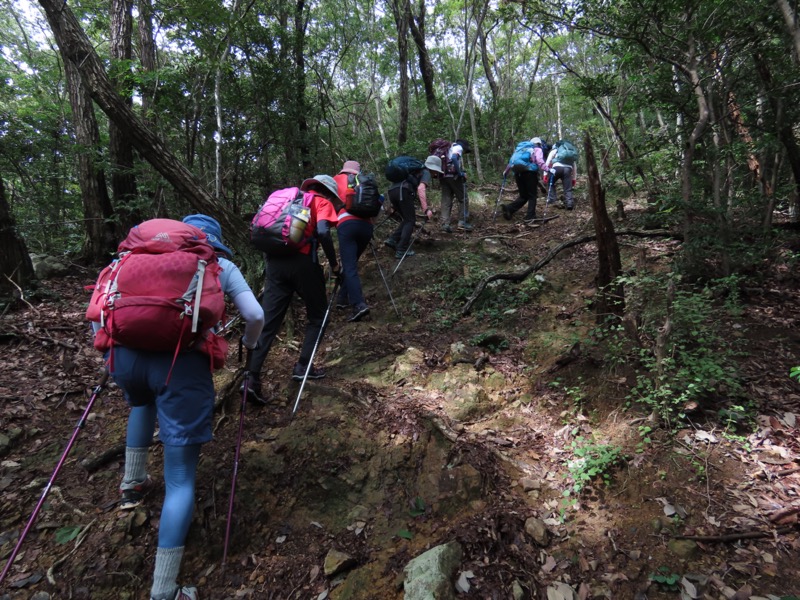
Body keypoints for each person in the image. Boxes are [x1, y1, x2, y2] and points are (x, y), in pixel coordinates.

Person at [111, 214, 264, 600]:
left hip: (125, 358)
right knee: (180, 479)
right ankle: (165, 590)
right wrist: (249, 344)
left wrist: (110, 351)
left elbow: (98, 310)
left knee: (141, 403)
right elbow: (255, 315)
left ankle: (132, 483)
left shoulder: (132, 258)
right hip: (182, 362)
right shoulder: (218, 263)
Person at [246, 175, 341, 401]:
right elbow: (324, 233)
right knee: (318, 316)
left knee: (268, 321)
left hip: (274, 264)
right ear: (328, 192)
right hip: (303, 263)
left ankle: (251, 377)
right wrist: (335, 264)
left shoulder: (289, 200)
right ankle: (302, 367)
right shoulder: (321, 202)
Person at [333, 160, 373, 322]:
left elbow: (329, 204)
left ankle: (358, 305)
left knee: (349, 267)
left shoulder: (335, 180)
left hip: (346, 224)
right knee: (351, 264)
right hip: (366, 226)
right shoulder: (365, 181)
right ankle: (342, 298)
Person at [384, 158, 436, 258]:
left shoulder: (412, 172)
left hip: (392, 191)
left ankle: (393, 239)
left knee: (407, 219)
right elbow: (421, 189)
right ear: (433, 168)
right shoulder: (426, 172)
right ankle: (402, 249)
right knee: (410, 220)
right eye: (436, 172)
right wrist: (426, 209)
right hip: (403, 191)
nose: (435, 175)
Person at [501, 137, 548, 224]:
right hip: (530, 173)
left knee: (524, 196)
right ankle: (530, 217)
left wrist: (506, 172)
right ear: (539, 144)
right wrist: (547, 169)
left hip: (518, 174)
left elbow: (511, 162)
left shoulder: (520, 150)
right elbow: (539, 161)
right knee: (532, 196)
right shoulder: (537, 149)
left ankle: (509, 209)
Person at [439, 140, 472, 233]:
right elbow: (454, 158)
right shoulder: (458, 148)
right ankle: (462, 222)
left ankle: (445, 224)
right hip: (453, 177)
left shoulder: (448, 148)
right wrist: (460, 173)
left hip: (443, 176)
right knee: (463, 198)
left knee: (446, 200)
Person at [544, 140, 579, 210]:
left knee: (550, 183)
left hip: (557, 168)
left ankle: (553, 199)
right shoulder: (570, 153)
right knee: (568, 188)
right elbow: (574, 166)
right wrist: (574, 178)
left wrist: (545, 174)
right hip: (568, 170)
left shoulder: (555, 150)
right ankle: (569, 204)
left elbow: (547, 162)